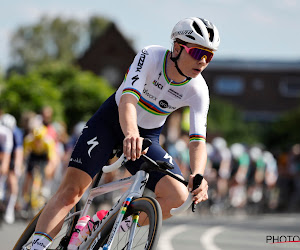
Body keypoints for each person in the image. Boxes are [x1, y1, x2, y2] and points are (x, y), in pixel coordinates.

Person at [31, 17, 220, 249]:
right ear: (178, 47)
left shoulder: (199, 89)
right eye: (197, 52)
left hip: (147, 136)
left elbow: (198, 141)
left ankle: (105, 223)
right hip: (111, 122)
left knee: (177, 198)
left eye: (208, 56)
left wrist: (198, 174)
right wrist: (130, 132)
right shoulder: (150, 56)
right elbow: (129, 99)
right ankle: (35, 246)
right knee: (71, 191)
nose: (202, 61)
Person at [0, 114, 24, 224]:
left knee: (12, 181)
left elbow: (18, 152)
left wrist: (17, 167)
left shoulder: (16, 133)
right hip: (2, 151)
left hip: (12, 155)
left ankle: (10, 209)